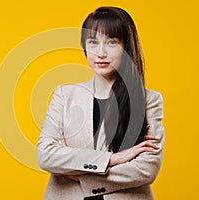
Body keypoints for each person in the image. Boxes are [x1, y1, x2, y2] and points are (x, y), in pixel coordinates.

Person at [37, 6, 164, 200]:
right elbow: (46, 156)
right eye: (93, 42)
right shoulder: (65, 95)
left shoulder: (149, 100)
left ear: (126, 47)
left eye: (112, 42)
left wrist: (80, 174)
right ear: (85, 47)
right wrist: (112, 159)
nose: (101, 52)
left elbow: (146, 169)